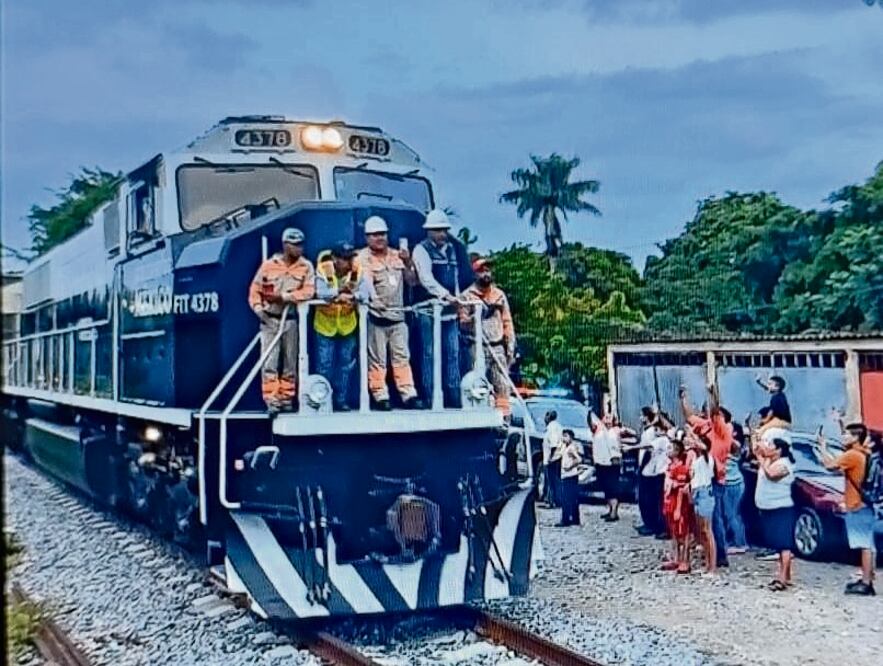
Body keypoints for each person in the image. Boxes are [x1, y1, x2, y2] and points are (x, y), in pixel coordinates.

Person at [248, 227, 315, 412]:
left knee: (290, 361)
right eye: (295, 245)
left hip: (291, 320)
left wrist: (284, 297)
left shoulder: (306, 267)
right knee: (270, 360)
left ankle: (287, 398)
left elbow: (308, 292)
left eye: (301, 245)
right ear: (286, 245)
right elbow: (255, 291)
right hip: (270, 320)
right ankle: (272, 399)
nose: (299, 249)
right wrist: (259, 310)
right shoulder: (269, 265)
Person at [357, 216, 421, 411]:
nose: (380, 238)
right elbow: (365, 283)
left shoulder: (397, 256)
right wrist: (375, 300)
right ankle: (380, 395)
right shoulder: (362, 258)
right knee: (377, 361)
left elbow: (412, 281)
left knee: (402, 358)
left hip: (398, 318)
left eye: (382, 234)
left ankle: (408, 394)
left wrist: (408, 261)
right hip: (377, 319)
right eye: (375, 235)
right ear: (367, 237)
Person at [816, 423, 877, 596]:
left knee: (863, 544)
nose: (843, 437)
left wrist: (822, 446)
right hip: (867, 503)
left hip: (856, 503)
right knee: (869, 544)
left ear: (856, 437)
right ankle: (868, 577)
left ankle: (866, 583)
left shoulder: (852, 455)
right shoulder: (866, 454)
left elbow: (829, 465)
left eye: (846, 434)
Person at [412, 209, 463, 408]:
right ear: (429, 231)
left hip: (449, 312)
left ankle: (454, 395)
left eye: (444, 230)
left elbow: (455, 278)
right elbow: (426, 278)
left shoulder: (451, 249)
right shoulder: (421, 249)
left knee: (452, 352)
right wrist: (445, 295)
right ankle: (430, 395)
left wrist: (457, 300)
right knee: (429, 353)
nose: (442, 234)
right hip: (428, 309)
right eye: (438, 230)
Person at [314, 241, 370, 411]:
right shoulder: (323, 270)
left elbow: (365, 293)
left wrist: (353, 297)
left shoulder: (357, 271)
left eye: (350, 258)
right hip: (325, 325)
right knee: (324, 364)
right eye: (345, 259)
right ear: (335, 259)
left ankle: (341, 400)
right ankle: (323, 400)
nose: (349, 262)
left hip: (347, 325)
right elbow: (320, 292)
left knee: (346, 365)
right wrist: (338, 292)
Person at [680, 384, 731, 569]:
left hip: (715, 479)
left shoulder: (722, 431)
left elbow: (716, 407)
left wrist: (713, 394)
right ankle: (710, 554)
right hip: (703, 478)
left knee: (714, 521)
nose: (705, 414)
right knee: (704, 520)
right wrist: (683, 397)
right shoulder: (707, 427)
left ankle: (719, 556)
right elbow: (689, 416)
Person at [460, 258, 515, 417]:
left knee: (502, 383)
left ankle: (504, 417)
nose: (486, 274)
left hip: (497, 345)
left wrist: (510, 344)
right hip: (477, 345)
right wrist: (475, 317)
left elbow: (507, 321)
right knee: (478, 384)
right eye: (482, 271)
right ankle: (478, 415)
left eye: (488, 270)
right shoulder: (467, 296)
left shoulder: (499, 295)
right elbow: (462, 322)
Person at [753, 435, 796, 591]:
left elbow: (772, 475)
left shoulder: (784, 464)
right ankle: (788, 575)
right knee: (778, 545)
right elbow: (756, 449)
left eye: (771, 445)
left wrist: (760, 458)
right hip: (769, 507)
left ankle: (782, 579)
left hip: (781, 508)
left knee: (783, 544)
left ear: (779, 450)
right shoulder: (769, 461)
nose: (768, 447)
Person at [627, 407, 670, 538]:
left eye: (642, 415)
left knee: (652, 500)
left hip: (652, 470)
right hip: (648, 468)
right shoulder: (648, 431)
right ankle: (650, 524)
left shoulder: (657, 435)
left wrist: (630, 447)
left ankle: (655, 525)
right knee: (646, 499)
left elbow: (648, 447)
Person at [687, 428, 717, 575]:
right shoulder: (697, 460)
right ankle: (707, 563)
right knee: (701, 531)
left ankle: (712, 566)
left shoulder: (707, 458)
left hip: (705, 493)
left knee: (707, 530)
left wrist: (693, 435)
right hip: (698, 493)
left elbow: (703, 447)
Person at [662, 436, 693, 574]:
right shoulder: (670, 467)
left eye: (670, 448)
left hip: (678, 504)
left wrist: (678, 508)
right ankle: (675, 557)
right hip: (669, 502)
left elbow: (681, 489)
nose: (667, 450)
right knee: (673, 532)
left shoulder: (681, 468)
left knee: (683, 531)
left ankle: (684, 559)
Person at [590, 404, 623, 522]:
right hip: (600, 462)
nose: (607, 420)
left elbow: (631, 434)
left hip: (612, 463)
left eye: (610, 418)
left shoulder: (616, 431)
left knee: (612, 488)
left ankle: (614, 512)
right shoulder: (598, 431)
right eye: (606, 417)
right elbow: (590, 423)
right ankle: (610, 509)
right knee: (605, 488)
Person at [722, 420, 749, 554]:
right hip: (731, 483)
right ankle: (736, 540)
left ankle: (741, 543)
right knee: (733, 514)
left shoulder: (735, 444)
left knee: (732, 514)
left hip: (733, 483)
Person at [558, 429, 583, 527]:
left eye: (566, 436)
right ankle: (574, 518)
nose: (564, 438)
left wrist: (570, 466)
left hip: (570, 475)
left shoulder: (571, 448)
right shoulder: (565, 447)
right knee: (572, 498)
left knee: (567, 498)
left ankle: (566, 519)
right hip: (566, 475)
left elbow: (579, 459)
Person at [542, 410, 564, 508]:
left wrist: (550, 457)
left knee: (552, 481)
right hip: (558, 457)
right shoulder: (558, 426)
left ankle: (553, 501)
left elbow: (553, 444)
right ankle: (555, 500)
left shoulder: (551, 427)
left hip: (552, 459)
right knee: (556, 481)